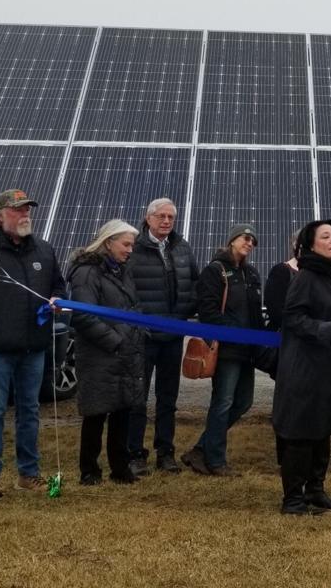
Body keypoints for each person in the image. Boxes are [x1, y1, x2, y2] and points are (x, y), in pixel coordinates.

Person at [0, 189, 66, 499]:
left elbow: (58, 285)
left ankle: (28, 474)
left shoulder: (44, 251)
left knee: (29, 410)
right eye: (17, 210)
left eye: (27, 209)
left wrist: (58, 299)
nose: (25, 215)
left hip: (34, 348)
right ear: (1, 215)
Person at [272, 220, 331, 515]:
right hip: (305, 368)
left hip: (330, 368)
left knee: (322, 429)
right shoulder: (305, 277)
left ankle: (316, 491)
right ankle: (293, 499)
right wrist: (326, 330)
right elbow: (293, 319)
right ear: (310, 245)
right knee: (301, 432)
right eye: (326, 237)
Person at [67, 220, 146, 485]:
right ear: (108, 242)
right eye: (125, 244)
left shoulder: (122, 271)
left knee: (122, 410)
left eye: (132, 245)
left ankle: (120, 467)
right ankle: (89, 470)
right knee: (96, 413)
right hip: (100, 354)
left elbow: (130, 306)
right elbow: (84, 316)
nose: (130, 250)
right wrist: (115, 341)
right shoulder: (87, 273)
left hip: (124, 352)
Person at [181, 224, 263, 477]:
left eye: (252, 241)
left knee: (243, 401)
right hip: (227, 349)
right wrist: (234, 332)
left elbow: (255, 314)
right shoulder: (215, 271)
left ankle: (200, 449)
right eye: (245, 238)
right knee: (223, 402)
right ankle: (216, 460)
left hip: (248, 349)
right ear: (232, 240)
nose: (249, 243)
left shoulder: (251, 273)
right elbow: (208, 311)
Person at [126, 197, 199, 477]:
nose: (166, 221)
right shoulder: (134, 249)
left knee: (168, 398)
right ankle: (135, 453)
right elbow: (125, 289)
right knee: (138, 398)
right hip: (143, 337)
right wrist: (138, 320)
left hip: (172, 336)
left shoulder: (181, 248)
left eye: (170, 217)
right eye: (161, 217)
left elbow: (195, 282)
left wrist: (184, 313)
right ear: (148, 219)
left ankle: (165, 452)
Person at [263, 232, 301, 465]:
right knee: (288, 404)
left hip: (313, 351)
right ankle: (285, 455)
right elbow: (276, 311)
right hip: (288, 349)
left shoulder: (322, 275)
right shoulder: (281, 272)